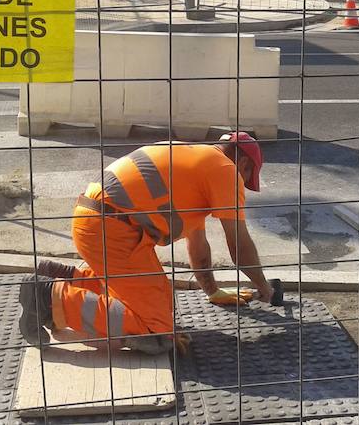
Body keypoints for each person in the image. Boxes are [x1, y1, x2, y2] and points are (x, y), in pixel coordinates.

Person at [18, 132, 274, 354]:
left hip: (98, 221)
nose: (243, 185)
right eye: (246, 177)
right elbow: (239, 244)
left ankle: (67, 277)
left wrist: (212, 291)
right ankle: (48, 298)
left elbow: (198, 245)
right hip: (113, 229)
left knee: (163, 301)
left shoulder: (196, 160)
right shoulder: (225, 170)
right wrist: (264, 288)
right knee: (156, 333)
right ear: (242, 163)